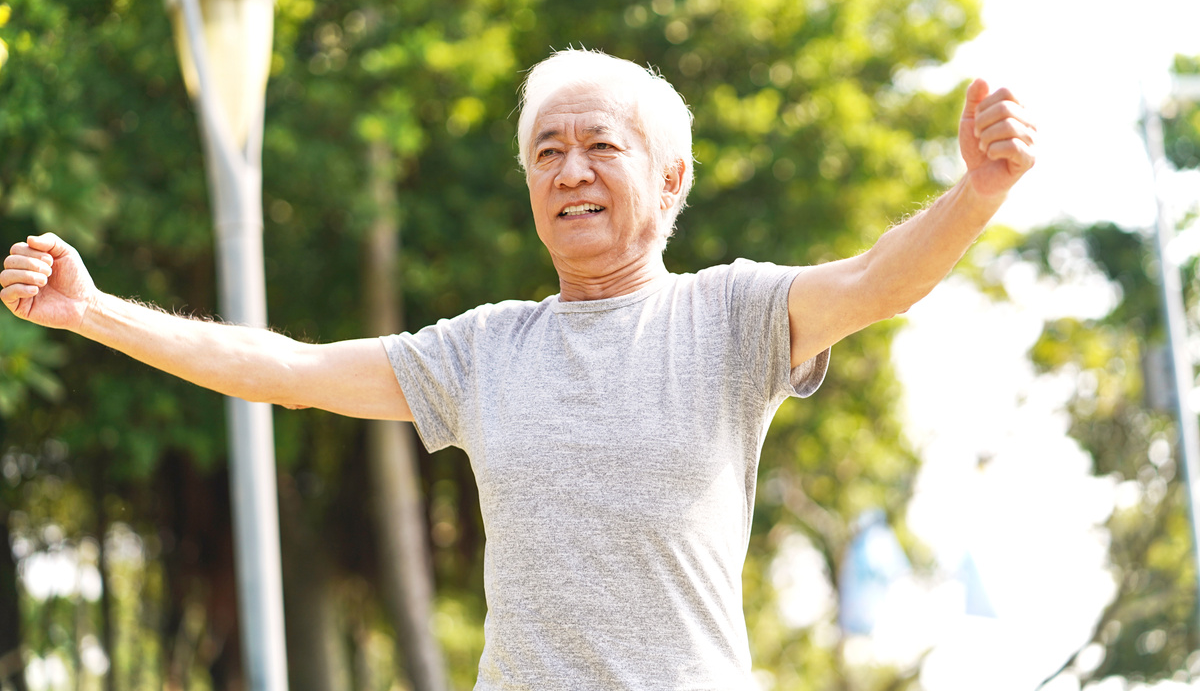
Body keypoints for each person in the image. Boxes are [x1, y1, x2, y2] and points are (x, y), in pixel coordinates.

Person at [1, 48, 1036, 689]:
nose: (569, 170)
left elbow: (876, 281)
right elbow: (290, 368)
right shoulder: (485, 348)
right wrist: (94, 311)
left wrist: (977, 191)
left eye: (598, 145)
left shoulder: (733, 312)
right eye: (545, 151)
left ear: (669, 177)